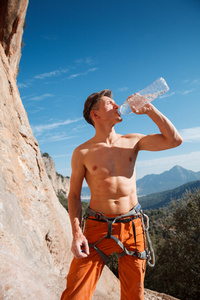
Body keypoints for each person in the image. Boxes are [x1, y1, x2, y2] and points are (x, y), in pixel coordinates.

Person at [61, 89, 182, 300]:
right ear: (95, 114)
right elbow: (73, 195)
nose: (118, 106)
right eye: (110, 103)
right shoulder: (82, 152)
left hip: (132, 225)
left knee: (133, 295)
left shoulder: (132, 141)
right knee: (75, 293)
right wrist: (77, 233)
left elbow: (174, 140)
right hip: (96, 226)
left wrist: (150, 110)